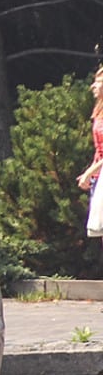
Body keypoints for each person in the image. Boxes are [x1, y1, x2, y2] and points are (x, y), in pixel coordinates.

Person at [77, 66, 103, 251]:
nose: (92, 86)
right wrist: (92, 172)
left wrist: (89, 172)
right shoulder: (98, 112)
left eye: (98, 82)